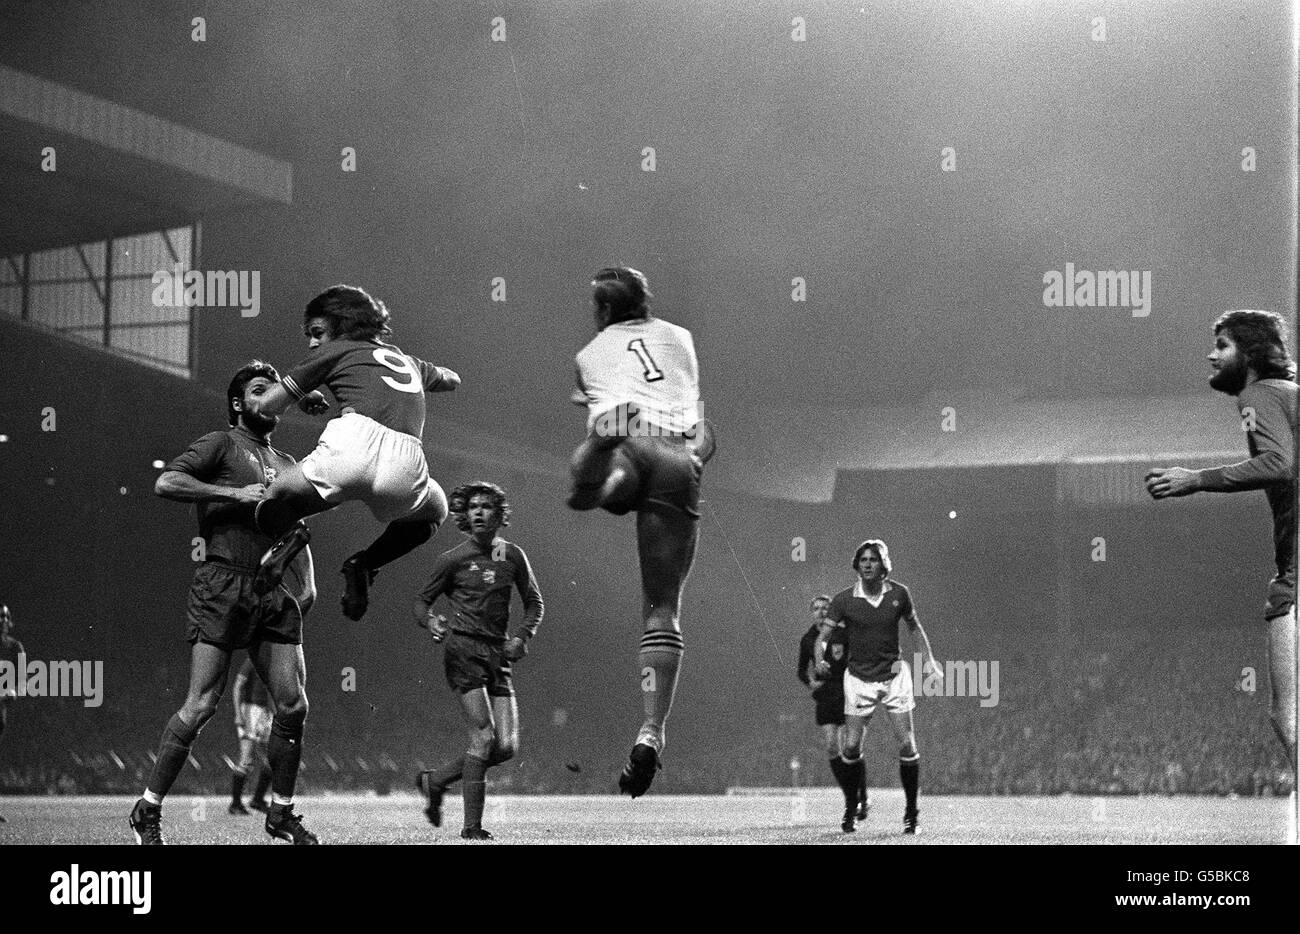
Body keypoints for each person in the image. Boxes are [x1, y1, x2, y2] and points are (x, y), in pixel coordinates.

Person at [128, 361, 319, 845]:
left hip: (272, 591)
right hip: (223, 581)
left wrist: (307, 581)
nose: (270, 398)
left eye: (276, 392)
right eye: (260, 391)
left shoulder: (289, 462)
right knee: (203, 703)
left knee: (293, 706)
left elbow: (297, 526)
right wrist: (231, 492)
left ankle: (280, 812)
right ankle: (147, 809)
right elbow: (167, 482)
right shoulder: (220, 443)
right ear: (239, 403)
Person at [565, 266, 716, 798]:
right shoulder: (681, 338)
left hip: (628, 439)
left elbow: (599, 383)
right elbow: (701, 428)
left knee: (595, 488)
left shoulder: (588, 355)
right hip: (676, 454)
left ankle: (599, 476)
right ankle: (651, 730)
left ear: (603, 311)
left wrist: (596, 411)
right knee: (662, 607)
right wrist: (695, 456)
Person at [246, 284, 460, 620]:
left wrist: (300, 395)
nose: (313, 343)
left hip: (352, 445)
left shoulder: (337, 350)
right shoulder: (409, 361)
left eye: (317, 333)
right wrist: (438, 374)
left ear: (341, 323)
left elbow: (267, 406)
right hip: (405, 465)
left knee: (273, 496)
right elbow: (452, 379)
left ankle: (292, 536)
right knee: (436, 510)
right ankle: (365, 564)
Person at [1145, 310, 1297, 781]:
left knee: (1288, 718)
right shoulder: (1291, 395)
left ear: (1249, 355)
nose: (1212, 354)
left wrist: (1198, 480)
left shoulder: (1256, 395)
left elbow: (1278, 463)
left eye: (1224, 345)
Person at [413, 482, 543, 841]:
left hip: (498, 653)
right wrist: (432, 621)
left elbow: (535, 603)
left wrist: (522, 636)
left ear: (499, 514)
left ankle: (435, 781)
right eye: (473, 507)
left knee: (506, 747)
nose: (479, 512)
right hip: (464, 650)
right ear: (464, 516)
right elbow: (421, 603)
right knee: (484, 737)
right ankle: (471, 828)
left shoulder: (513, 556)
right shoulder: (452, 560)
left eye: (487, 506)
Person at [818, 540, 942, 834]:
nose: (868, 564)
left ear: (883, 564)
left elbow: (915, 627)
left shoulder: (900, 594)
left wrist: (930, 662)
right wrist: (818, 657)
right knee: (850, 746)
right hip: (859, 678)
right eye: (863, 559)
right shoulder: (844, 600)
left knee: (907, 744)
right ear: (856, 564)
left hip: (894, 676)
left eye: (873, 559)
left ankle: (912, 814)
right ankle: (852, 806)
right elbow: (822, 635)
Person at [796, 595, 868, 821]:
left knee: (852, 747)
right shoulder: (808, 639)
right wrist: (811, 682)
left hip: (847, 692)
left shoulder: (843, 633)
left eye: (825, 608)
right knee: (831, 747)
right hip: (826, 696)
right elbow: (800, 670)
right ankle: (851, 795)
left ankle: (862, 798)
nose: (821, 612)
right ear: (811, 612)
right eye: (816, 608)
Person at [229, 656, 274, 815]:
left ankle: (257, 799)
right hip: (250, 711)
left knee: (272, 760)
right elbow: (237, 686)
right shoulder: (253, 660)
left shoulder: (273, 661)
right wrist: (238, 714)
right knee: (246, 759)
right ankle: (235, 803)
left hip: (264, 712)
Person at [0, 605, 23, 823]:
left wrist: (14, 689)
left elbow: (22, 679)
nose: (2, 620)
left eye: (5, 616)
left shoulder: (14, 647)